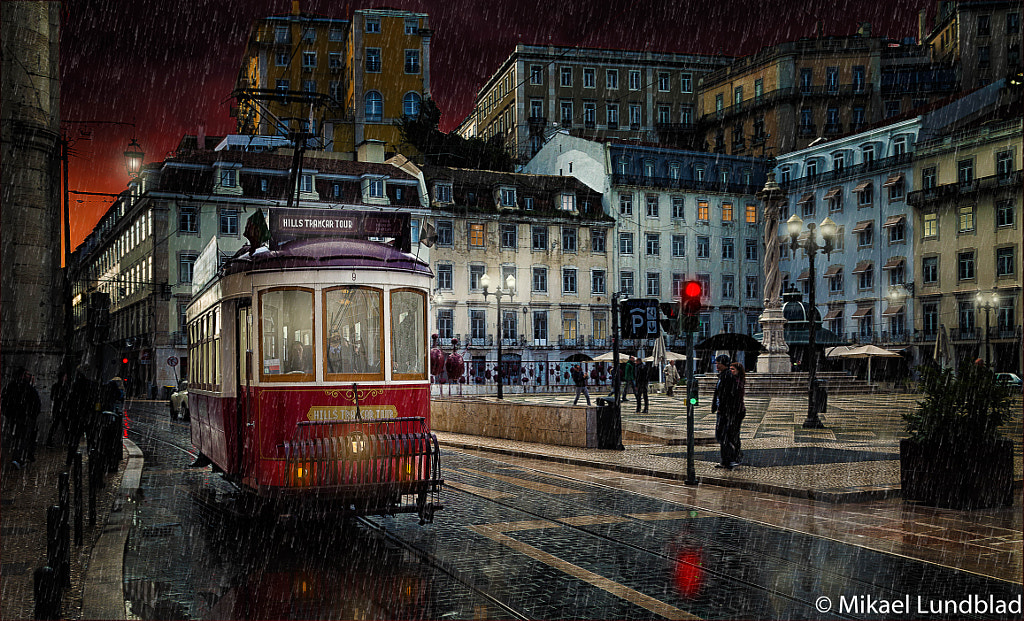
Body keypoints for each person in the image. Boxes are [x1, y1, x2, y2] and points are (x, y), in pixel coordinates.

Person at [2, 367, 41, 469]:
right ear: (23, 376)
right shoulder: (27, 388)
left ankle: (20, 458)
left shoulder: (11, 387)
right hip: (24, 418)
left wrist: (9, 414)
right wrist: (31, 415)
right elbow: (36, 403)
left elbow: (4, 402)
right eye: (28, 375)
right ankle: (19, 459)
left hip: (16, 418)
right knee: (23, 439)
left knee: (18, 438)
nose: (30, 376)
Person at [711, 354, 741, 469]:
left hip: (726, 411)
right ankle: (726, 460)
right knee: (721, 436)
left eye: (719, 363)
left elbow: (728, 395)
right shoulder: (722, 376)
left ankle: (731, 458)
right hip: (722, 410)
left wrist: (723, 407)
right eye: (717, 363)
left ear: (724, 364)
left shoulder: (728, 377)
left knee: (723, 436)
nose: (717, 365)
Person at [45, 366, 73, 448]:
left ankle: (67, 441)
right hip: (60, 409)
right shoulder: (60, 387)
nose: (66, 378)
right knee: (60, 425)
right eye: (65, 377)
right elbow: (54, 397)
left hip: (61, 408)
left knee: (62, 425)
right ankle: (52, 441)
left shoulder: (64, 386)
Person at [730, 362, 747, 463]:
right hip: (736, 410)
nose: (730, 371)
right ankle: (736, 453)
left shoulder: (738, 381)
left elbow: (735, 396)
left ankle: (736, 453)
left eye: (732, 369)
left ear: (738, 371)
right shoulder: (736, 380)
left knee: (734, 433)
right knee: (733, 433)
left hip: (737, 411)